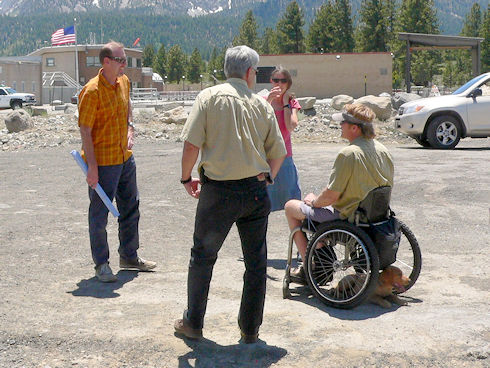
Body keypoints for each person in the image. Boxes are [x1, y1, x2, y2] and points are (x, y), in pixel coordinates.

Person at [174, 45, 286, 343]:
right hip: (254, 192)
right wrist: (269, 178)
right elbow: (279, 153)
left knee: (203, 258)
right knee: (255, 262)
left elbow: (190, 146)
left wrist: (186, 178)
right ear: (250, 72)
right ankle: (250, 330)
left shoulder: (208, 98)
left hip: (218, 192)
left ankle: (194, 323)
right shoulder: (262, 105)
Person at [284, 103, 394, 283]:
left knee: (291, 207)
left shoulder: (349, 154)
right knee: (314, 209)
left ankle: (310, 267)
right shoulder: (382, 150)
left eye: (343, 123)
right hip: (374, 217)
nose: (339, 126)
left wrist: (314, 202)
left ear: (354, 128)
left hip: (347, 218)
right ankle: (319, 249)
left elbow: (331, 195)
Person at [78, 41, 156, 283]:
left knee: (131, 207)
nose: (124, 64)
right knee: (100, 214)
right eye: (121, 60)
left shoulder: (124, 82)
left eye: (125, 60)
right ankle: (101, 264)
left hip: (124, 158)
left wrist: (130, 127)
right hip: (103, 162)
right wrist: (92, 166)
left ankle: (129, 256)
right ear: (106, 62)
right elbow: (85, 130)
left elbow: (128, 106)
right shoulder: (91, 92)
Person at [265, 67, 302, 211]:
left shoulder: (292, 102)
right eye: (276, 80)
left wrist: (286, 103)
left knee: (291, 198)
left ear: (288, 83)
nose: (279, 84)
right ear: (271, 81)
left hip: (285, 155)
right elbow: (258, 122)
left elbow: (291, 126)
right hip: (266, 155)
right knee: (264, 199)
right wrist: (269, 101)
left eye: (283, 81)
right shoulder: (264, 101)